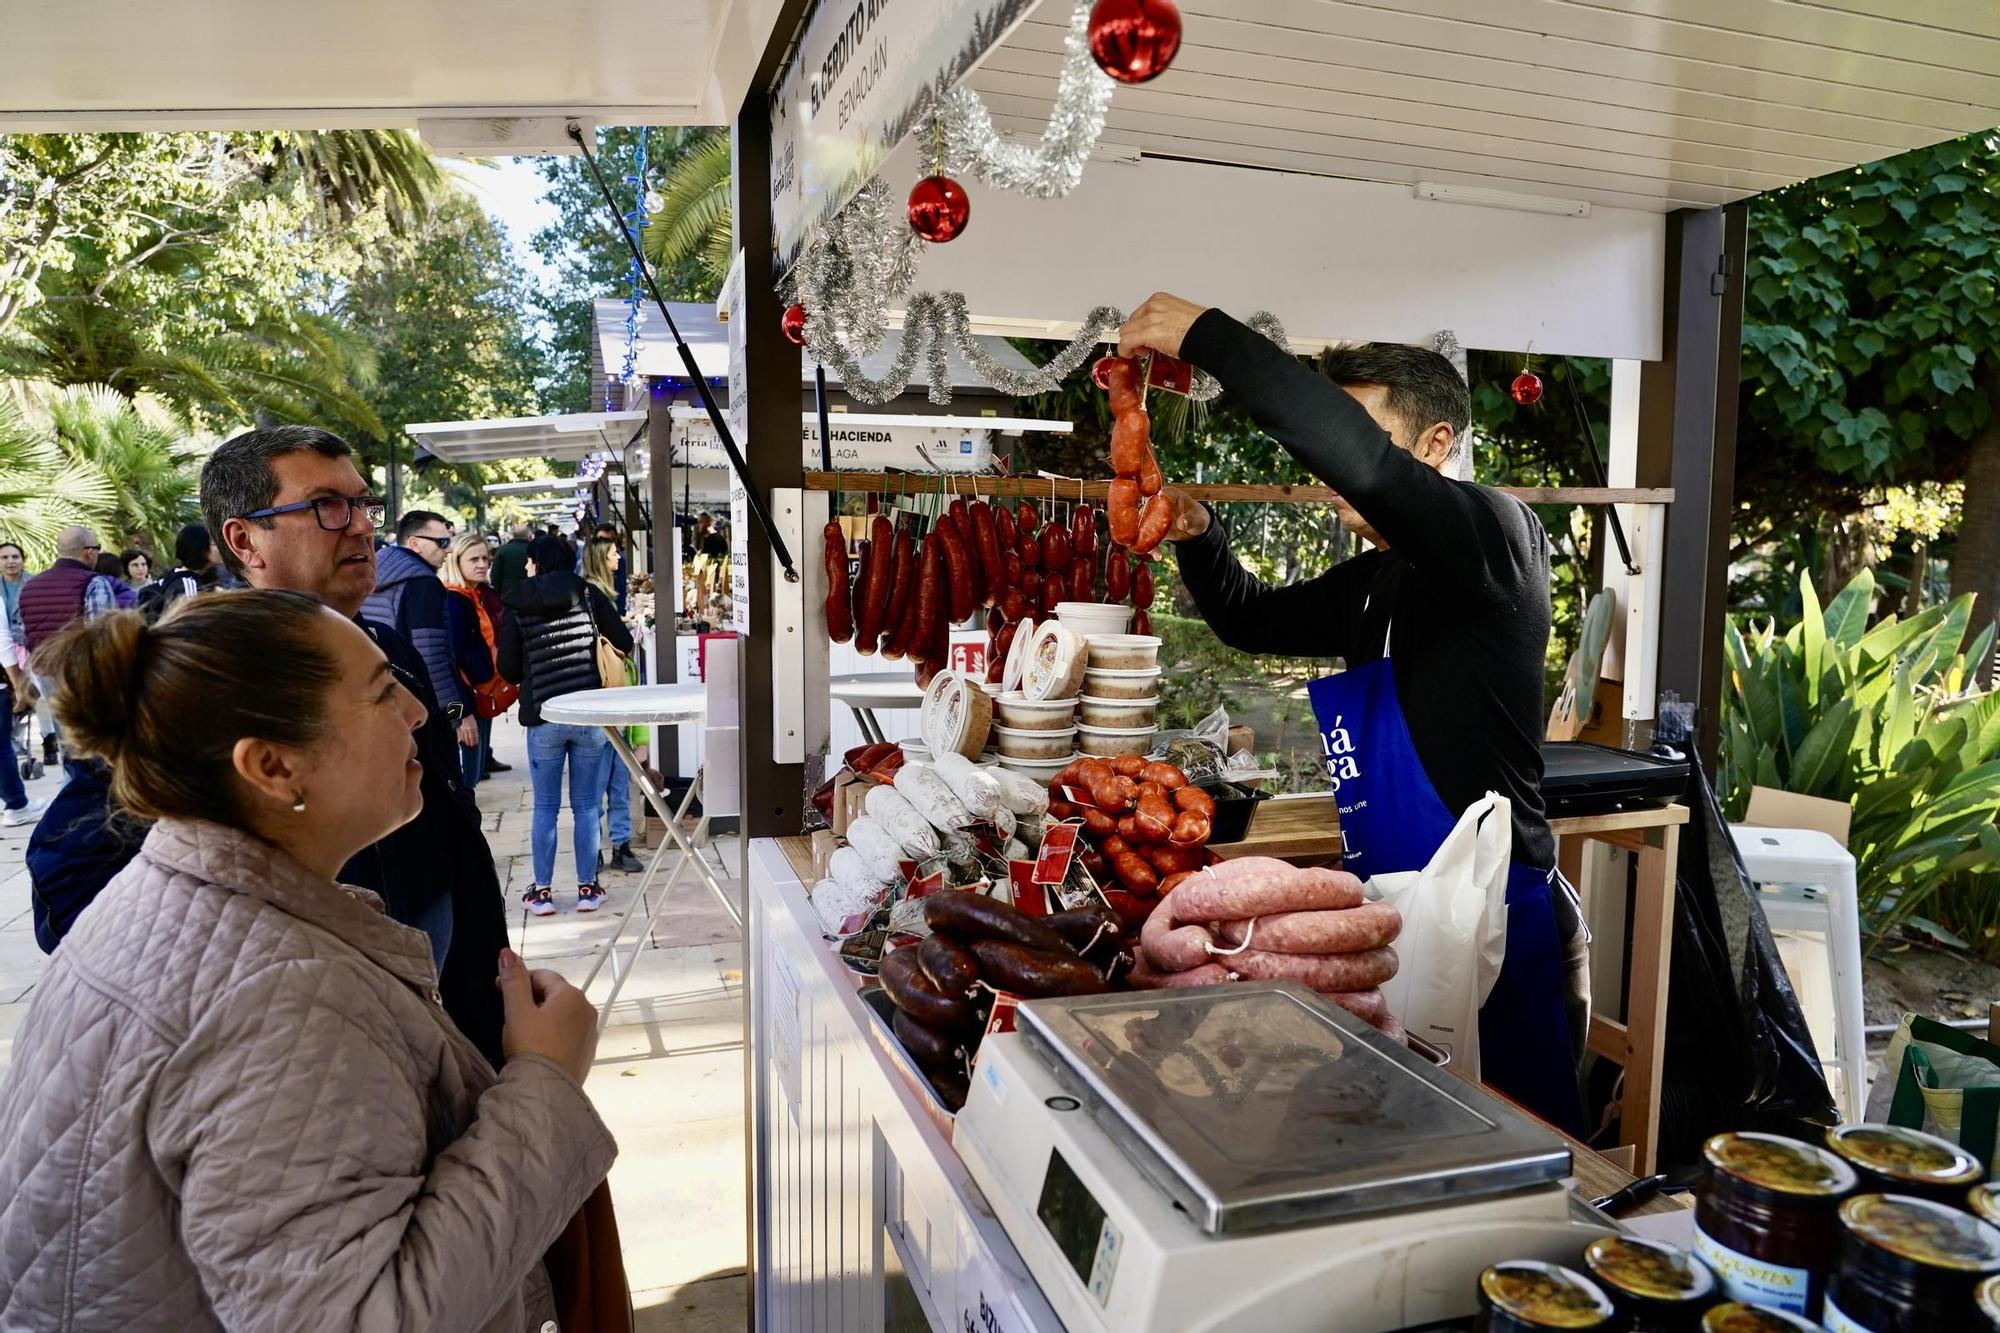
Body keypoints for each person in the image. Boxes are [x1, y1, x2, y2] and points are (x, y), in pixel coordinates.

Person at [0, 590, 616, 1328]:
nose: (417, 714)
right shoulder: (276, 998)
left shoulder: (173, 904)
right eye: (384, 692)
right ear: (272, 766)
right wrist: (545, 1082)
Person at [1116, 292, 1589, 1136]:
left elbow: (1366, 466)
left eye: (1358, 432)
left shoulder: (1496, 534)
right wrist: (1199, 533)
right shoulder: (1380, 576)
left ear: (1435, 445)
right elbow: (1251, 620)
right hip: (1391, 907)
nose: (1328, 477)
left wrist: (1208, 338)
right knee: (1405, 1140)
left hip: (1494, 912)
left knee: (1521, 1148)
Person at [25, 427, 511, 1067]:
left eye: (364, 505)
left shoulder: (386, 645)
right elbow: (71, 883)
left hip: (434, 972)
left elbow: (448, 809)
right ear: (243, 540)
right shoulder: (205, 676)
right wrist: (262, 977)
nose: (362, 527)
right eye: (326, 508)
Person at [499, 534, 632, 916]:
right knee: (588, 806)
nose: (526, 567)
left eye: (528, 561)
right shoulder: (588, 594)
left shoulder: (517, 602)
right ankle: (588, 888)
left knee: (545, 807)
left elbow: (507, 668)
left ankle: (541, 893)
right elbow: (622, 641)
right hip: (588, 714)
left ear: (537, 562)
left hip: (544, 717)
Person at [363, 509, 481, 765]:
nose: (447, 551)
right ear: (414, 543)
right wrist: (458, 714)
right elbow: (432, 658)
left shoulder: (372, 575)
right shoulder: (424, 584)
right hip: (422, 709)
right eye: (442, 543)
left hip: (384, 700)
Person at [583, 535, 643, 875]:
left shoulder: (598, 593)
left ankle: (606, 847)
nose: (619, 557)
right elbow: (618, 642)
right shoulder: (593, 594)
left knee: (611, 779)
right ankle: (614, 846)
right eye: (613, 553)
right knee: (612, 779)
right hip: (608, 694)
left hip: (606, 696)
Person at [441, 533, 512, 787]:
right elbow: (448, 663)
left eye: (485, 558)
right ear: (456, 561)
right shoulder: (453, 600)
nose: (482, 564)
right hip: (465, 700)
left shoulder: (475, 595)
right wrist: (461, 715)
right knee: (467, 779)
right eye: (474, 559)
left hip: (481, 693)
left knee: (475, 771)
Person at [136, 520, 222, 621]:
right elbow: (191, 626)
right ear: (199, 548)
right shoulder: (186, 585)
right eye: (214, 543)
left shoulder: (178, 575)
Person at [492, 520, 533, 597]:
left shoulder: (502, 550)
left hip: (507, 592)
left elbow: (495, 574)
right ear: (528, 535)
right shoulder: (534, 549)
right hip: (530, 592)